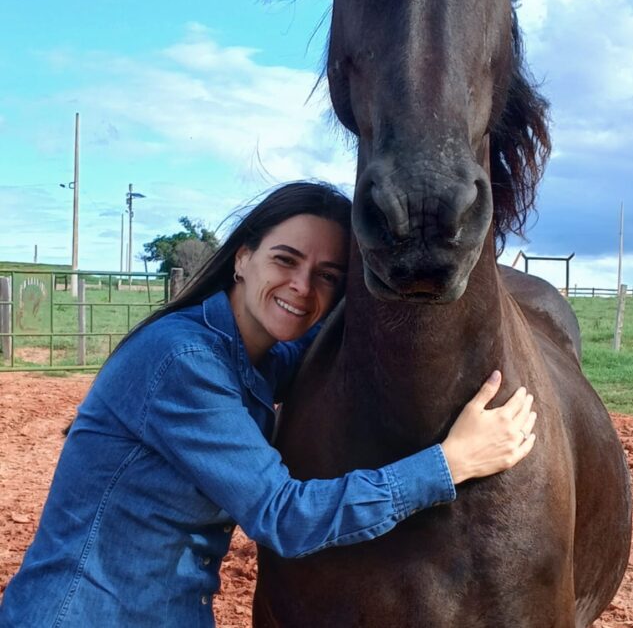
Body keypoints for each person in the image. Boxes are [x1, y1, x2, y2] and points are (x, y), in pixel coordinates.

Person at [0, 182, 537, 627]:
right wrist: (449, 463)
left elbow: (311, 348)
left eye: (327, 276)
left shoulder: (249, 357)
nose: (302, 286)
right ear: (242, 258)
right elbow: (283, 516)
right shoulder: (183, 360)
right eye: (286, 259)